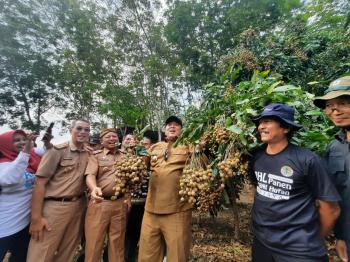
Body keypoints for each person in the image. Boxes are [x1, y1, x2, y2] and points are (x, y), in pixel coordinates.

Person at [250, 103, 341, 262]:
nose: (261, 126)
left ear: (285, 128)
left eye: (268, 121)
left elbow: (331, 209)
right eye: (260, 122)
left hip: (299, 251)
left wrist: (312, 238)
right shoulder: (256, 157)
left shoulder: (307, 160)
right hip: (262, 245)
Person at [27, 119, 90, 262]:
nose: (83, 132)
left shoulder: (88, 153)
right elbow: (40, 184)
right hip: (54, 208)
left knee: (68, 251)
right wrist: (36, 218)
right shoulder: (56, 151)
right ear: (70, 130)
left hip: (78, 206)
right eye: (79, 128)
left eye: (87, 130)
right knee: (41, 252)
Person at [138, 116, 195, 262]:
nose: (172, 126)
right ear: (164, 129)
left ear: (182, 130)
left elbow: (201, 169)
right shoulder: (155, 148)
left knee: (177, 255)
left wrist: (199, 149)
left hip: (177, 211)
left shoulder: (190, 146)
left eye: (176, 125)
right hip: (151, 210)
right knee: (147, 255)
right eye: (169, 124)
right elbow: (140, 168)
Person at [314, 76, 350, 262]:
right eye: (329, 105)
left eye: (342, 103)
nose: (334, 110)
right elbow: (338, 197)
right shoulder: (334, 147)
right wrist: (341, 237)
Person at [0, 130, 47, 261]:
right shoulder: (4, 164)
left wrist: (46, 143)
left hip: (26, 221)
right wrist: (25, 151)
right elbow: (9, 179)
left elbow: (49, 151)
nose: (21, 142)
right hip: (6, 223)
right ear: (5, 144)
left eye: (23, 139)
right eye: (16, 140)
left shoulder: (32, 158)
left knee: (20, 257)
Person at [84, 128, 130, 262]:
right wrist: (93, 188)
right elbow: (90, 175)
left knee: (117, 244)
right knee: (94, 243)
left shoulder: (125, 155)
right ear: (101, 141)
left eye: (114, 136)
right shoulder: (96, 156)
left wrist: (128, 197)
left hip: (119, 204)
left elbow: (129, 180)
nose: (112, 139)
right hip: (100, 203)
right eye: (108, 137)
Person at [125, 135, 154, 262]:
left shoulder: (154, 163)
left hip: (147, 207)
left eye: (145, 145)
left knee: (145, 238)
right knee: (127, 237)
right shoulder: (127, 161)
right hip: (127, 206)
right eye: (139, 145)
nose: (141, 148)